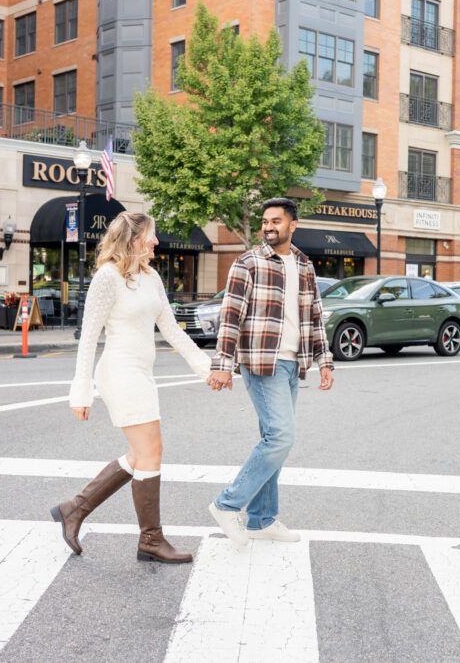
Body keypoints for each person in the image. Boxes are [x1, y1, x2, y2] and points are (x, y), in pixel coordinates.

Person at [54, 211, 211, 563]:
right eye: (151, 236)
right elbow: (88, 338)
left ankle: (75, 509)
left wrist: (207, 368)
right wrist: (81, 392)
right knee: (152, 452)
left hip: (142, 373)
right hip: (120, 372)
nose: (156, 242)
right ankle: (151, 540)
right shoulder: (108, 278)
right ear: (134, 239)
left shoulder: (150, 276)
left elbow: (171, 330)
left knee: (140, 455)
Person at [206, 197, 334, 546]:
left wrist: (325, 361)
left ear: (293, 225)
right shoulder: (249, 262)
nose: (268, 227)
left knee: (273, 441)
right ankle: (227, 504)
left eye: (276, 221)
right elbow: (229, 317)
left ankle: (261, 520)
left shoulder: (305, 266)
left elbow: (314, 317)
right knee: (281, 437)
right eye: (265, 221)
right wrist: (222, 365)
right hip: (263, 361)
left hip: (293, 363)